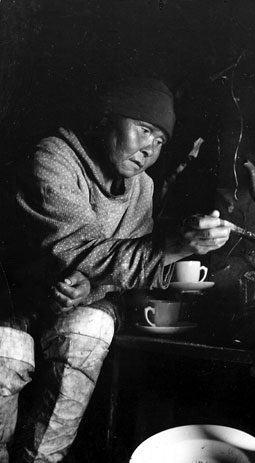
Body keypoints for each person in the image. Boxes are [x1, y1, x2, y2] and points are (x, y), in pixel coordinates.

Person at [0, 76, 230, 463]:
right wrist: (172, 247)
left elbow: (121, 270)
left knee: (89, 330)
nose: (149, 150)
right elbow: (78, 249)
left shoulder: (142, 188)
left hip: (73, 307)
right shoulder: (53, 157)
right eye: (143, 130)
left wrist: (90, 287)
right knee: (7, 354)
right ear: (108, 119)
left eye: (160, 141)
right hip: (12, 299)